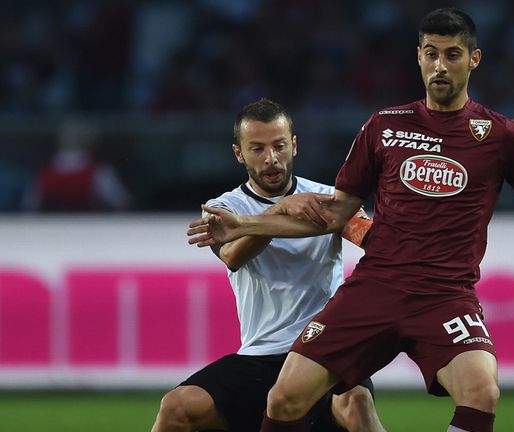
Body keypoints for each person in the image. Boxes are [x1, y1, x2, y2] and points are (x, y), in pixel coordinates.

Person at [188, 8, 514, 432]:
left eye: (452, 54)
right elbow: (335, 214)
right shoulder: (384, 126)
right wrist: (245, 226)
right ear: (418, 57)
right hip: (375, 287)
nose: (440, 65)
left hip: (445, 294)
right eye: (431, 54)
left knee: (482, 391)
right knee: (284, 398)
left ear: (474, 59)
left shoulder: (501, 135)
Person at [152, 99, 384, 432]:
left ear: (294, 145)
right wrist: (281, 209)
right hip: (260, 358)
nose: (271, 158)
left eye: (278, 146)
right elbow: (234, 255)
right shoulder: (223, 207)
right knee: (177, 408)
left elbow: (374, 240)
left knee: (356, 404)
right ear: (239, 153)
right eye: (257, 148)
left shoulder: (329, 200)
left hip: (323, 351)